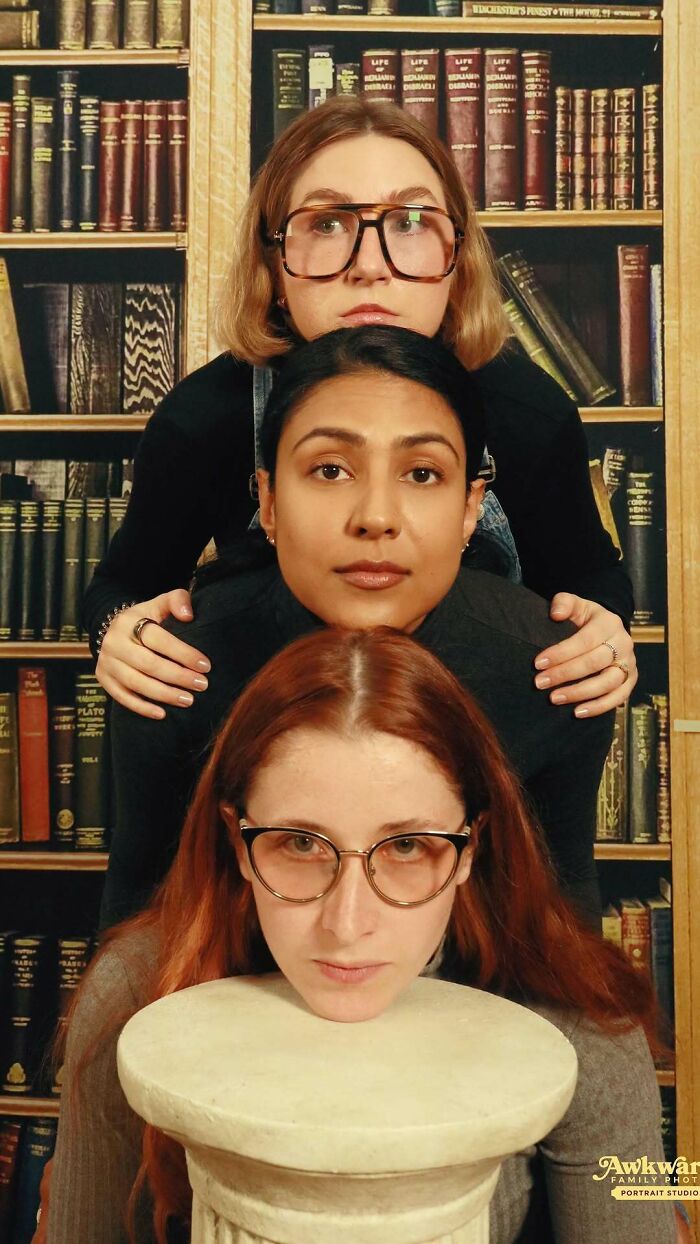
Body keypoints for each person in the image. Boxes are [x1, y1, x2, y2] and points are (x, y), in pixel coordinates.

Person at [47, 629, 675, 1244]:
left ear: (468, 850)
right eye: (299, 843)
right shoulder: (133, 990)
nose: (347, 925)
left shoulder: (588, 1019)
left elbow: (653, 1202)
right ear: (237, 841)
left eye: (406, 846)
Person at [85, 95, 636, 723]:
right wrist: (117, 636)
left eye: (409, 222)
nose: (370, 267)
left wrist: (605, 631)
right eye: (326, 224)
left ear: (457, 256)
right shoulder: (205, 419)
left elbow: (592, 576)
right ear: (274, 262)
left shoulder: (528, 413)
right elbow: (122, 586)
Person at [103, 326, 615, 931]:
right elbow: (140, 929)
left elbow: (560, 930)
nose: (375, 518)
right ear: (267, 500)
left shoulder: (556, 673)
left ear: (471, 508)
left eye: (422, 474)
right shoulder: (171, 669)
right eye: (329, 470)